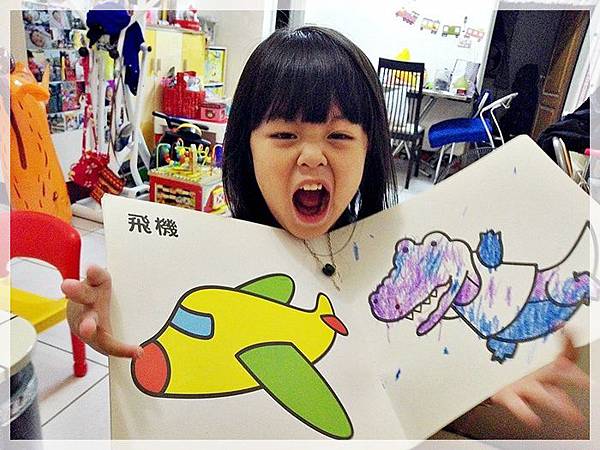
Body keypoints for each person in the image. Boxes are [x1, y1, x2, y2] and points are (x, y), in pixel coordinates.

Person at [62, 26, 589, 438]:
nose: (312, 155)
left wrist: (487, 379)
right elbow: (154, 373)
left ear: (370, 150)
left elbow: (416, 392)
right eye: (284, 134)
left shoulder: (399, 270)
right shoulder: (198, 261)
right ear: (246, 147)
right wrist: (112, 319)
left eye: (338, 136)